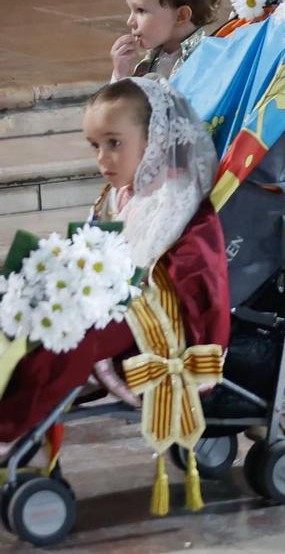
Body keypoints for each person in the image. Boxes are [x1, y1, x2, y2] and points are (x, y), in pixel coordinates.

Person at [0, 79, 229, 444]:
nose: (103, 159)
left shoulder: (177, 200)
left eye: (114, 144)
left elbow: (195, 280)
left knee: (68, 340)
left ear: (154, 139)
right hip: (114, 302)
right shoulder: (124, 191)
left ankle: (10, 428)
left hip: (152, 320)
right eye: (95, 146)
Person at [110, 0, 221, 82]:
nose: (130, 22)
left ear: (181, 16)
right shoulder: (153, 58)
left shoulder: (206, 64)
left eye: (141, 11)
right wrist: (120, 74)